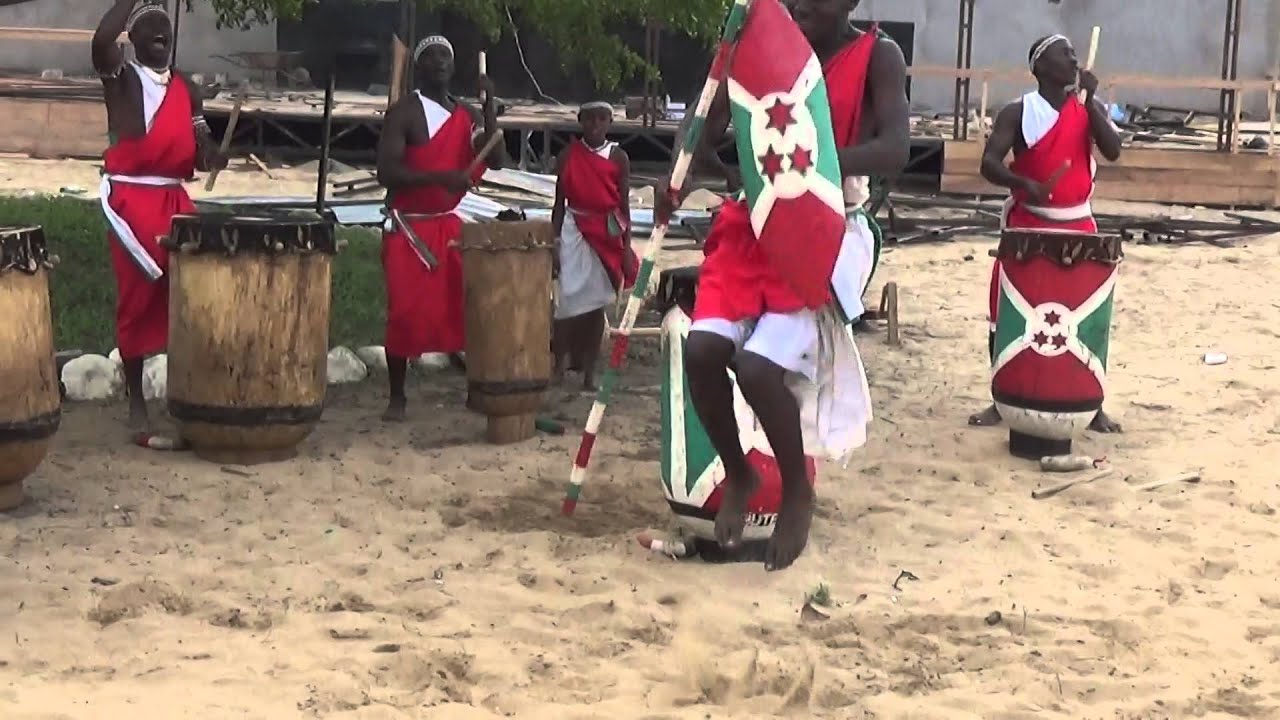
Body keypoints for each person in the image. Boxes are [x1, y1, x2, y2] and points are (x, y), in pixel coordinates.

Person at [656, 0, 909, 571]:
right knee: (703, 350)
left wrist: (810, 166)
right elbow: (702, 128)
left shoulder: (878, 56)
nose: (800, 5)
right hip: (756, 219)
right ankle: (740, 471)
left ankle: (797, 490)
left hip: (828, 223)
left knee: (758, 369)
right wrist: (677, 175)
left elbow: (896, 149)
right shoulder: (755, 49)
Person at [967, 33, 1123, 432]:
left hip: (1079, 224)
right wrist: (1023, 184)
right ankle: (1001, 397)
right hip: (1029, 221)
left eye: (1074, 53)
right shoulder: (1019, 112)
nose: (1073, 59)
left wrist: (1094, 108)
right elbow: (989, 163)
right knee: (1006, 312)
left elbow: (1113, 150)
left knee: (1087, 313)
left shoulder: (1089, 107)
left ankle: (1094, 403)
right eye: (1064, 54)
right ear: (1040, 66)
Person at [92, 0, 226, 431]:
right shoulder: (122, 77)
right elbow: (100, 40)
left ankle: (192, 391)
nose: (160, 32)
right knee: (138, 297)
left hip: (174, 201)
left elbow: (201, 147)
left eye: (165, 28)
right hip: (132, 201)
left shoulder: (188, 88)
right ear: (132, 38)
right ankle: (136, 400)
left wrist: (214, 156)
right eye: (149, 27)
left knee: (192, 293)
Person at [377, 35, 507, 422]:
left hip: (447, 226)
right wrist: (440, 177)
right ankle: (397, 396)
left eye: (446, 56)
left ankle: (473, 390)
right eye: (431, 56)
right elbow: (387, 171)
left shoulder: (466, 115)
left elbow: (497, 158)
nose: (439, 62)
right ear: (419, 67)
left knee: (460, 308)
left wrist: (489, 108)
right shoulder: (405, 112)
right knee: (403, 311)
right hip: (408, 228)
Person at [551, 102, 638, 391]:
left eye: (601, 119)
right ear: (580, 121)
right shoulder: (567, 156)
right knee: (565, 302)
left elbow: (624, 207)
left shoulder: (619, 157)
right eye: (589, 119)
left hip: (605, 235)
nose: (595, 125)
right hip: (574, 230)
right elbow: (558, 205)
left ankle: (589, 372)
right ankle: (559, 367)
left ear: (610, 123)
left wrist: (626, 248)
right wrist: (554, 242)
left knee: (595, 306)